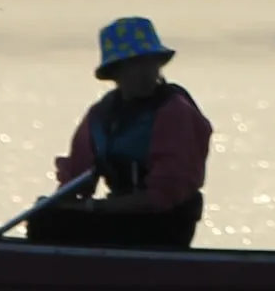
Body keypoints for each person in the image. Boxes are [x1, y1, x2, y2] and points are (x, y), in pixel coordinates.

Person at [26, 17, 213, 250]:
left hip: (166, 223)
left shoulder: (175, 112)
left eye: (149, 64)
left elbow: (165, 195)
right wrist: (60, 202)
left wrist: (95, 208)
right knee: (45, 219)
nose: (144, 73)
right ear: (115, 72)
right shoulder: (100, 115)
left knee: (54, 224)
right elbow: (77, 177)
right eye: (133, 65)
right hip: (121, 216)